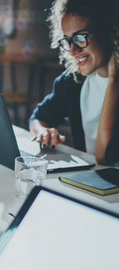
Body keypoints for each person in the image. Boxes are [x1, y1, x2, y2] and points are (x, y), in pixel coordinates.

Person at [29, 0, 119, 165]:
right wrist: (43, 132)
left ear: (110, 31)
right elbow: (38, 118)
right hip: (90, 183)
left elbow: (106, 157)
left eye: (80, 37)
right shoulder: (72, 82)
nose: (72, 50)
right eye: (67, 40)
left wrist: (114, 78)